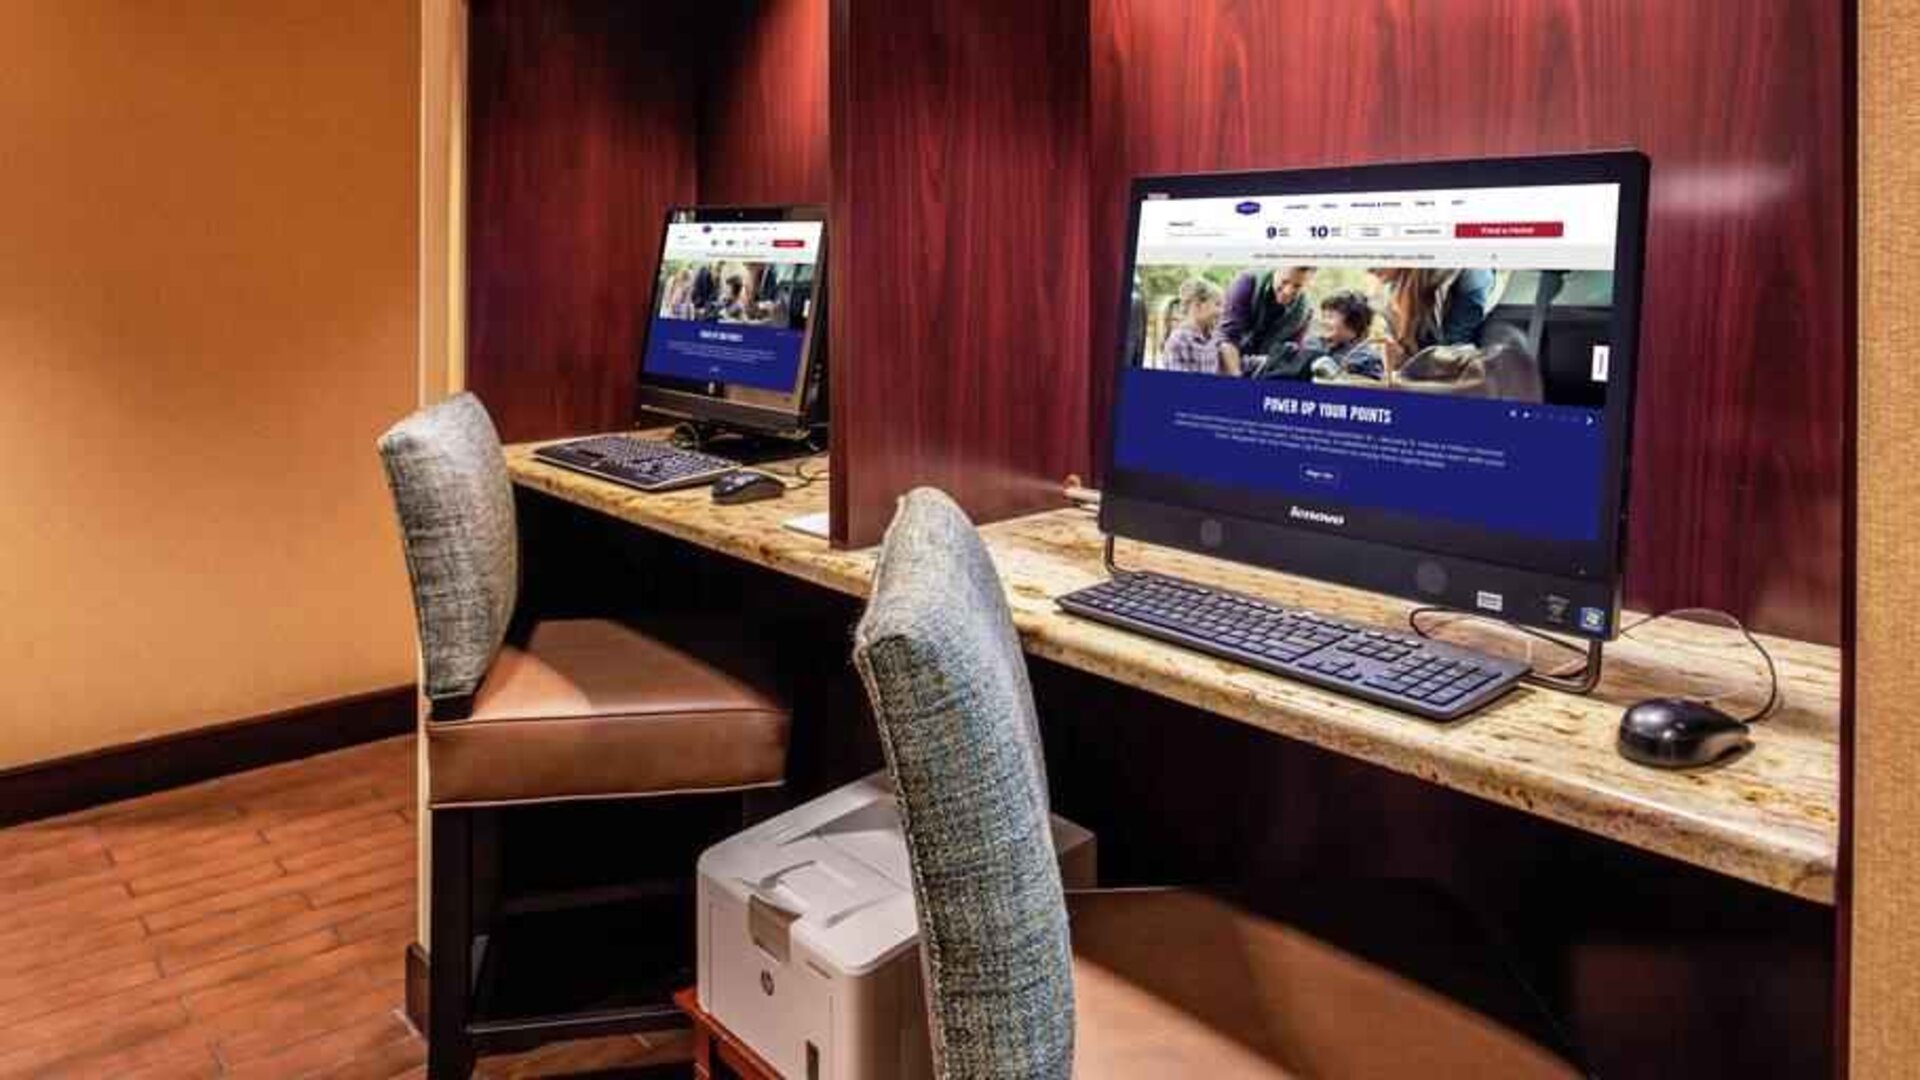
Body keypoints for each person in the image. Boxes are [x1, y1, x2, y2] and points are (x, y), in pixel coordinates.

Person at [1369, 267, 1495, 370]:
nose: (1369, 269)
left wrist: (1406, 361)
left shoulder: (1469, 275)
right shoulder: (1392, 288)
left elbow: (1451, 359)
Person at [1219, 266, 1316, 373]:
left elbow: (1289, 356)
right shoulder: (1247, 283)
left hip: (1262, 370)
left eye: (1297, 286)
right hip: (1228, 360)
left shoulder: (1305, 313)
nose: (1287, 291)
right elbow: (1227, 339)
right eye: (1284, 281)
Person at [1155, 278, 1230, 375]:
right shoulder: (1178, 342)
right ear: (1197, 305)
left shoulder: (1214, 336)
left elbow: (1234, 361)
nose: (1222, 311)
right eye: (1218, 304)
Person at [1306, 290, 1384, 380]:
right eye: (1323, 316)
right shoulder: (1314, 344)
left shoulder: (1366, 359)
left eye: (1330, 317)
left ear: (1353, 322)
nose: (1324, 322)